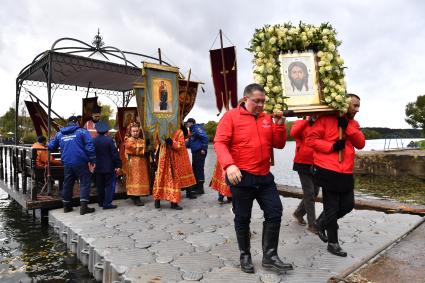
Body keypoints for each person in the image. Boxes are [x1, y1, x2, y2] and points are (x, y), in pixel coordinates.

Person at [214, 83, 293, 274]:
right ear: (245, 99)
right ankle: (245, 256)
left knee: (275, 212)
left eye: (263, 102)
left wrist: (280, 126)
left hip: (264, 176)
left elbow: (279, 144)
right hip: (241, 176)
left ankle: (270, 257)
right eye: (256, 101)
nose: (260, 105)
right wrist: (229, 164)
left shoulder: (267, 118)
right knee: (243, 217)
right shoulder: (231, 116)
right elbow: (219, 142)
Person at [307, 94, 365, 257]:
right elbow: (311, 140)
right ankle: (333, 243)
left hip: (346, 170)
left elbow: (360, 143)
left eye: (358, 106)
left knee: (347, 205)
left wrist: (347, 126)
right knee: (331, 208)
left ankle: (320, 222)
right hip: (327, 169)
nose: (357, 109)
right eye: (354, 105)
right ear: (344, 104)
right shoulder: (325, 119)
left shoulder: (353, 123)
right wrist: (332, 146)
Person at [48, 116, 96, 215]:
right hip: (81, 162)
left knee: (68, 183)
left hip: (67, 163)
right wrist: (93, 160)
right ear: (77, 123)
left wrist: (47, 144)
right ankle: (83, 207)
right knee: (85, 182)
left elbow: (51, 147)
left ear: (68, 123)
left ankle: (66, 206)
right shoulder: (82, 131)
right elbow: (90, 146)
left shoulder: (60, 134)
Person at [290, 116, 320, 233]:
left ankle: (299, 213)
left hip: (317, 163)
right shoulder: (299, 123)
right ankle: (312, 224)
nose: (314, 115)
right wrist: (306, 120)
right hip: (302, 163)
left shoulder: (319, 124)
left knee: (315, 192)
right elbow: (293, 133)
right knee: (309, 193)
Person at [93, 121, 122, 209]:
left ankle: (101, 202)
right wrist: (118, 165)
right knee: (110, 185)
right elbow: (114, 154)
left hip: (97, 167)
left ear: (97, 131)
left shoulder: (93, 140)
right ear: (106, 131)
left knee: (100, 185)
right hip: (109, 167)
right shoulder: (109, 140)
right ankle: (107, 203)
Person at [166, 124, 197, 199]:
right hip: (171, 155)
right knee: (175, 174)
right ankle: (175, 192)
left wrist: (172, 142)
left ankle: (189, 192)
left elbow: (180, 144)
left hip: (181, 154)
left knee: (186, 172)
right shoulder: (166, 131)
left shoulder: (180, 131)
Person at [123, 122, 150, 206]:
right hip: (133, 164)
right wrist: (145, 147)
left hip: (141, 164)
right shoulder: (128, 140)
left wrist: (148, 145)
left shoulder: (141, 140)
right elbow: (133, 148)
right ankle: (136, 197)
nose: (135, 133)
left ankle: (136, 195)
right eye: (133, 131)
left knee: (140, 179)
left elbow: (146, 148)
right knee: (135, 180)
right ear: (130, 132)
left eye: (137, 131)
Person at [186, 118, 209, 195]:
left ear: (191, 123)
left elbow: (205, 137)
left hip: (200, 152)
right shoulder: (192, 130)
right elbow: (191, 142)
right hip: (195, 152)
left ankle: (200, 188)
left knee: (199, 169)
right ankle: (196, 186)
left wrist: (203, 148)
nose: (187, 125)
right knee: (195, 169)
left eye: (188, 123)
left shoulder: (196, 128)